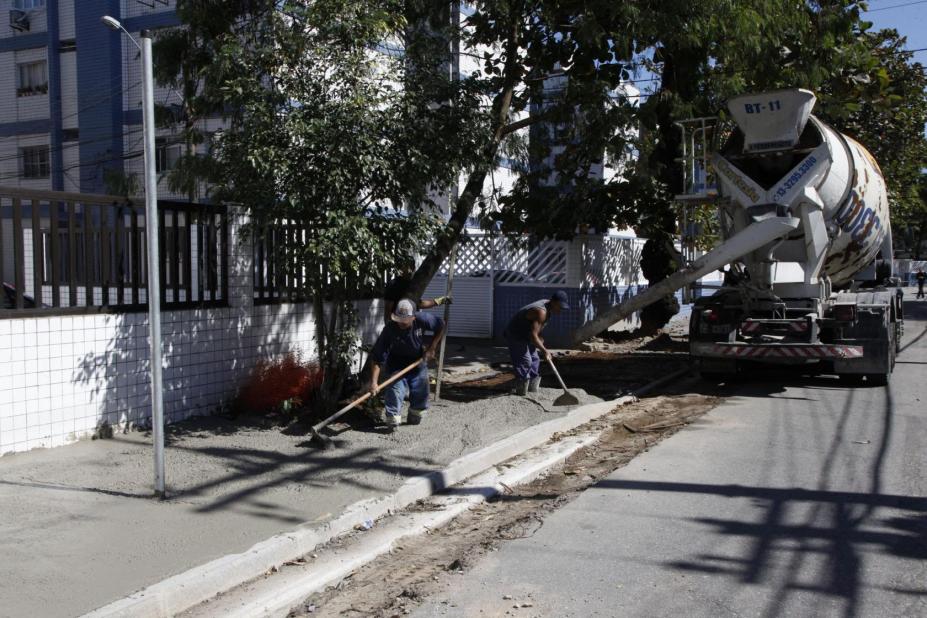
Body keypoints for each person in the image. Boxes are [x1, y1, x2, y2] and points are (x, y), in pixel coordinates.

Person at [370, 298, 446, 429]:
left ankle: (415, 413)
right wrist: (374, 383)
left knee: (421, 391)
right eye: (399, 320)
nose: (401, 324)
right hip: (396, 364)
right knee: (395, 391)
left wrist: (432, 347)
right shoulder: (389, 330)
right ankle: (393, 419)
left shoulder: (423, 319)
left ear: (413, 317)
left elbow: (441, 325)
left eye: (405, 321)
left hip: (417, 361)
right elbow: (377, 357)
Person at [503, 290, 570, 396]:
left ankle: (532, 389)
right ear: (553, 302)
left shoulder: (548, 307)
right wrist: (545, 350)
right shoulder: (541, 311)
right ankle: (521, 390)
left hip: (527, 334)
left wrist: (540, 339)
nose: (561, 309)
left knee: (535, 359)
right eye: (560, 306)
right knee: (526, 361)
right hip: (516, 334)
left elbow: (536, 331)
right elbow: (534, 336)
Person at [383, 262, 451, 323]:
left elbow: (419, 304)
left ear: (414, 268)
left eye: (411, 267)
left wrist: (440, 301)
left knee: (440, 324)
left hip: (410, 323)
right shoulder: (394, 284)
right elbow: (388, 311)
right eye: (406, 267)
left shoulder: (413, 284)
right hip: (397, 323)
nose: (409, 270)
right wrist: (393, 325)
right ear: (401, 268)